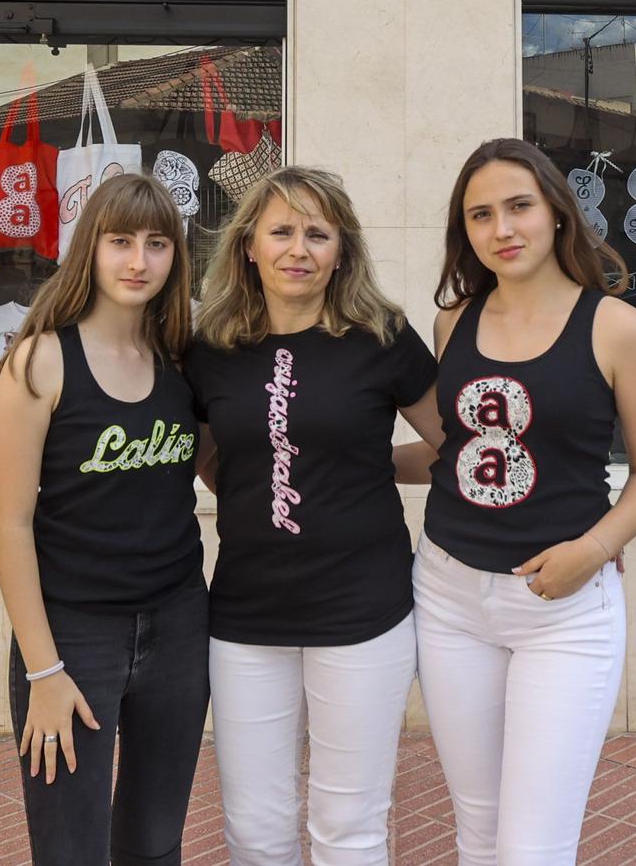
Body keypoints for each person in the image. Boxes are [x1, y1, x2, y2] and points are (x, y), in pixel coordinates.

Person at [415, 138, 636, 865]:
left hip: (563, 608)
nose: (502, 229)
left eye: (519, 206)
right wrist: (337, 458)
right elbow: (458, 452)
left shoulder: (615, 327)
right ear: (463, 232)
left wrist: (592, 551)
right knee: (478, 831)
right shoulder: (452, 323)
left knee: (533, 848)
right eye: (480, 215)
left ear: (558, 213)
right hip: (447, 598)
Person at [185, 166, 447, 866]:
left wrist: (371, 465)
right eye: (281, 231)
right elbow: (213, 462)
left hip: (363, 614)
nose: (298, 248)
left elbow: (456, 448)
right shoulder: (210, 348)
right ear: (248, 246)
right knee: (254, 826)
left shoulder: (381, 336)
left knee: (350, 827)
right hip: (245, 618)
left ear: (341, 250)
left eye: (317, 233)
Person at [0, 172, 207, 866]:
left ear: (176, 255)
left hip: (178, 627)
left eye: (155, 243)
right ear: (91, 249)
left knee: (153, 843)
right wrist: (43, 671)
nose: (138, 261)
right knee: (71, 849)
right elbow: (10, 524)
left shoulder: (183, 359)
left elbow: (228, 476)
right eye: (120, 242)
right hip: (73, 637)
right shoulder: (41, 361)